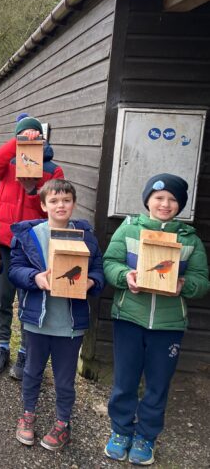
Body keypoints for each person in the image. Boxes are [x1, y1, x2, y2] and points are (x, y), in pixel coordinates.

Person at [103, 174, 209, 465]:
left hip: (169, 325)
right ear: (148, 199)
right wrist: (126, 277)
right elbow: (110, 263)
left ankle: (146, 436)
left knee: (158, 384)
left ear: (180, 206)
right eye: (159, 197)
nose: (165, 204)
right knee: (124, 380)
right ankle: (120, 431)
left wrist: (183, 285)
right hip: (129, 318)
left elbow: (202, 280)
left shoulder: (190, 239)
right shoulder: (128, 229)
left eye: (172, 199)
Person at [9, 179, 104, 451]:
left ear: (73, 204)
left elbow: (97, 269)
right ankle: (28, 414)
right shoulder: (31, 235)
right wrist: (35, 277)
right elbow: (14, 269)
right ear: (43, 205)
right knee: (32, 371)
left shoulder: (85, 236)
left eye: (66, 200)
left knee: (64, 379)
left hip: (70, 324)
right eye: (54, 201)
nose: (60, 205)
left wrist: (91, 282)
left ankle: (63, 423)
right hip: (38, 320)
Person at [0, 114, 64, 379]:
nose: (30, 139)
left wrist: (35, 185)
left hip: (32, 245)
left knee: (28, 301)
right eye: (24, 135)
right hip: (5, 241)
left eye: (34, 135)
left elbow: (54, 198)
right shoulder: (7, 164)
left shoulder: (52, 169)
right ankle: (2, 346)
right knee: (3, 299)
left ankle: (25, 351)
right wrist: (17, 143)